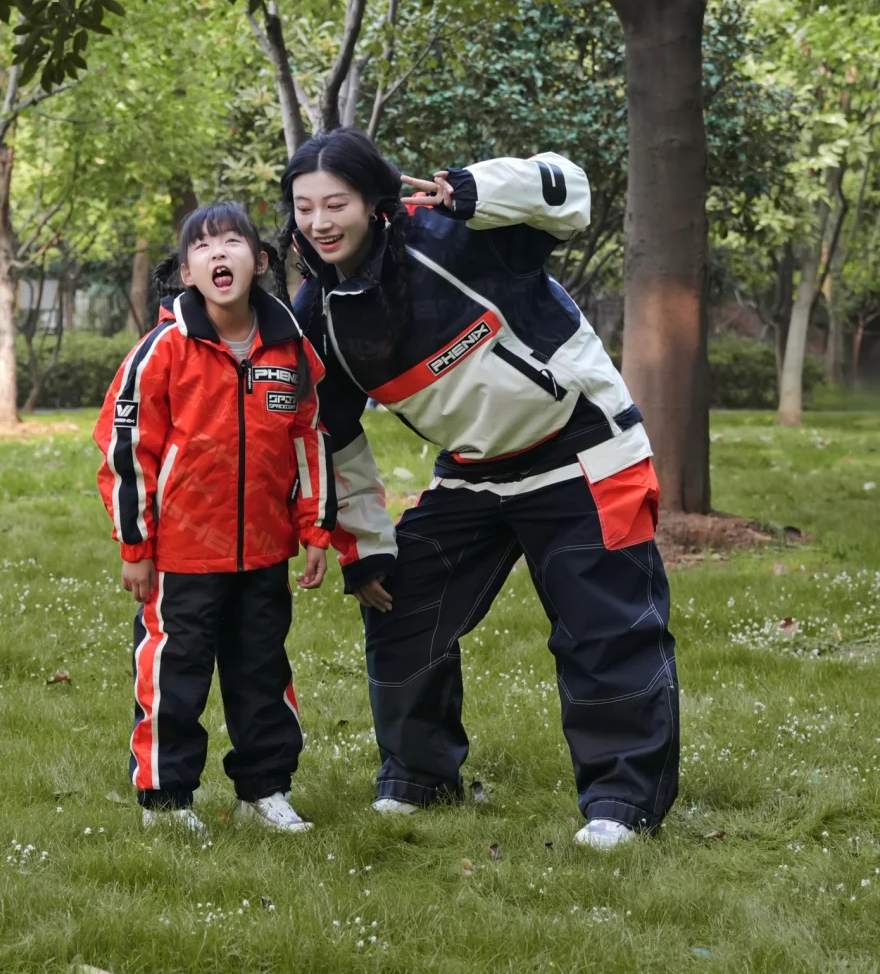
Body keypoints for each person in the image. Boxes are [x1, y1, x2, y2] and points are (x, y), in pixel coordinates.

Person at [279, 130, 678, 850]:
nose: (319, 222)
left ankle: (622, 801)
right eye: (304, 207)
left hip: (584, 447)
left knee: (605, 629)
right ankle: (419, 778)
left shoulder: (461, 231)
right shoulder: (320, 313)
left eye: (335, 202)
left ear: (376, 199)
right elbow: (336, 437)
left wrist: (474, 189)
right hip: (475, 470)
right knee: (398, 602)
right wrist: (364, 546)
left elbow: (570, 191)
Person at [94, 202, 336, 836]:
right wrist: (135, 544)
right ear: (185, 272)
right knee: (175, 675)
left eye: (234, 242)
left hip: (262, 552)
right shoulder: (162, 351)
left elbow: (308, 440)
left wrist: (315, 528)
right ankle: (166, 799)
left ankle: (265, 789)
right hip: (180, 555)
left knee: (262, 671)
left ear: (259, 262)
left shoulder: (290, 350)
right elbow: (127, 451)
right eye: (204, 247)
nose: (219, 254)